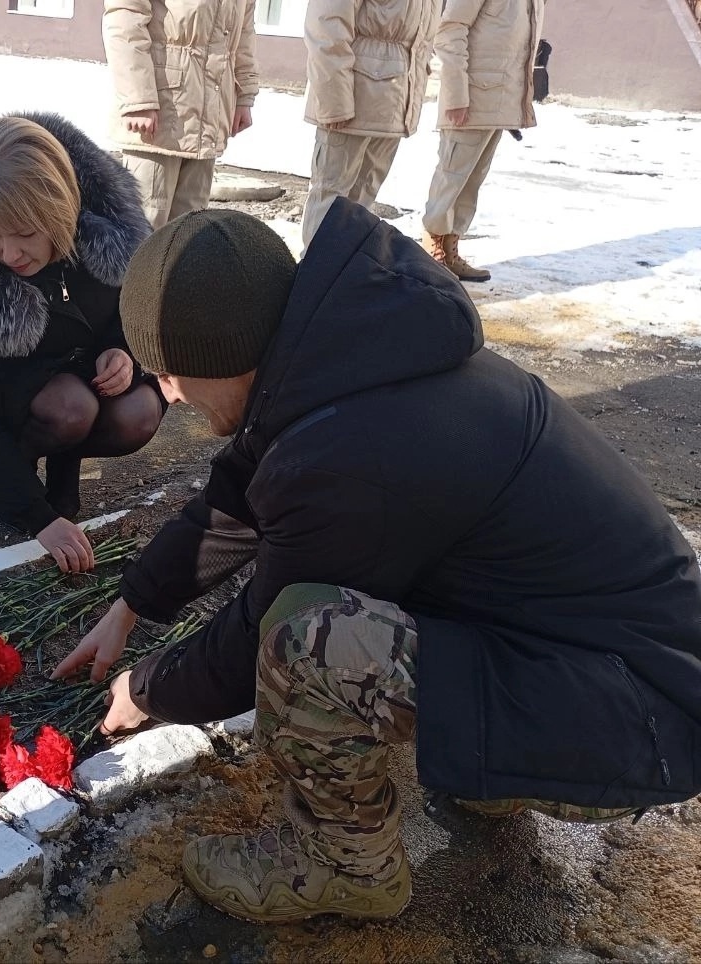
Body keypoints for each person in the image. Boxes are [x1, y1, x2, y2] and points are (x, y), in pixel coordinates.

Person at [54, 200, 701, 924]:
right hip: (610, 662)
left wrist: (147, 688)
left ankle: (339, 865)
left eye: (169, 375)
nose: (167, 395)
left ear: (221, 356)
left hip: (641, 723)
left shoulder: (348, 455)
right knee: (350, 607)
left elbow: (253, 640)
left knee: (309, 639)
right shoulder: (351, 361)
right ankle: (506, 758)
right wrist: (133, 603)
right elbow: (234, 499)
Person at [0, 112, 163, 574]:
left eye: (26, 234)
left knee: (140, 413)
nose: (8, 254)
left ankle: (65, 459)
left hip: (82, 383)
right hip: (21, 408)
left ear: (62, 208)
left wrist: (126, 354)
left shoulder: (109, 240)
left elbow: (135, 316)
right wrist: (37, 518)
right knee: (69, 407)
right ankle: (26, 469)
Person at [103, 0, 258, 229]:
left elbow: (244, 29)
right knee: (145, 227)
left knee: (189, 233)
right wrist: (138, 99)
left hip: (210, 113)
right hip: (158, 114)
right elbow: (125, 14)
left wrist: (244, 93)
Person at [300, 0, 440, 251]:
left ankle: (343, 277)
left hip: (391, 101)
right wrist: (335, 100)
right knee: (330, 201)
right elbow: (326, 24)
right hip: (351, 98)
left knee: (361, 203)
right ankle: (314, 281)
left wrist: (411, 100)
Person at [422, 0, 546, 282]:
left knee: (473, 178)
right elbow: (450, 29)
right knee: (452, 174)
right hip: (471, 96)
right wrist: (456, 93)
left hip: (501, 96)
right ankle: (431, 250)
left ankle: (451, 248)